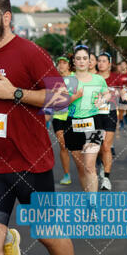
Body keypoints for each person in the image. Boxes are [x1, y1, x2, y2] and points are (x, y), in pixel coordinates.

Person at [0, 0, 86, 255]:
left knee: (48, 236)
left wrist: (15, 93)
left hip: (30, 164)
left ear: (6, 17)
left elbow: (61, 99)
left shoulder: (30, 52)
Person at [64, 45, 108, 192]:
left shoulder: (98, 79)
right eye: (78, 58)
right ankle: (88, 198)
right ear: (74, 61)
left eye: (85, 58)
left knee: (89, 166)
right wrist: (74, 97)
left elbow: (107, 94)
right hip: (72, 124)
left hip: (93, 123)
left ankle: (93, 206)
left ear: (90, 61)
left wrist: (103, 99)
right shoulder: (67, 81)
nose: (82, 61)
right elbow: (57, 104)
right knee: (81, 168)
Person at [96, 52, 120, 191]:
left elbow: (123, 95)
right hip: (96, 114)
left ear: (110, 63)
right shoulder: (94, 78)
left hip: (110, 113)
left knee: (106, 146)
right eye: (99, 60)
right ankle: (101, 162)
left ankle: (106, 178)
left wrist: (119, 94)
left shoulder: (116, 78)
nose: (101, 63)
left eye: (104, 61)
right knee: (98, 146)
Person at [52, 56, 72, 185]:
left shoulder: (76, 77)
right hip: (59, 115)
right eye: (59, 63)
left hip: (74, 115)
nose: (61, 65)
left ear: (69, 65)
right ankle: (67, 175)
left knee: (78, 148)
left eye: (64, 63)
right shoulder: (54, 79)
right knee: (63, 145)